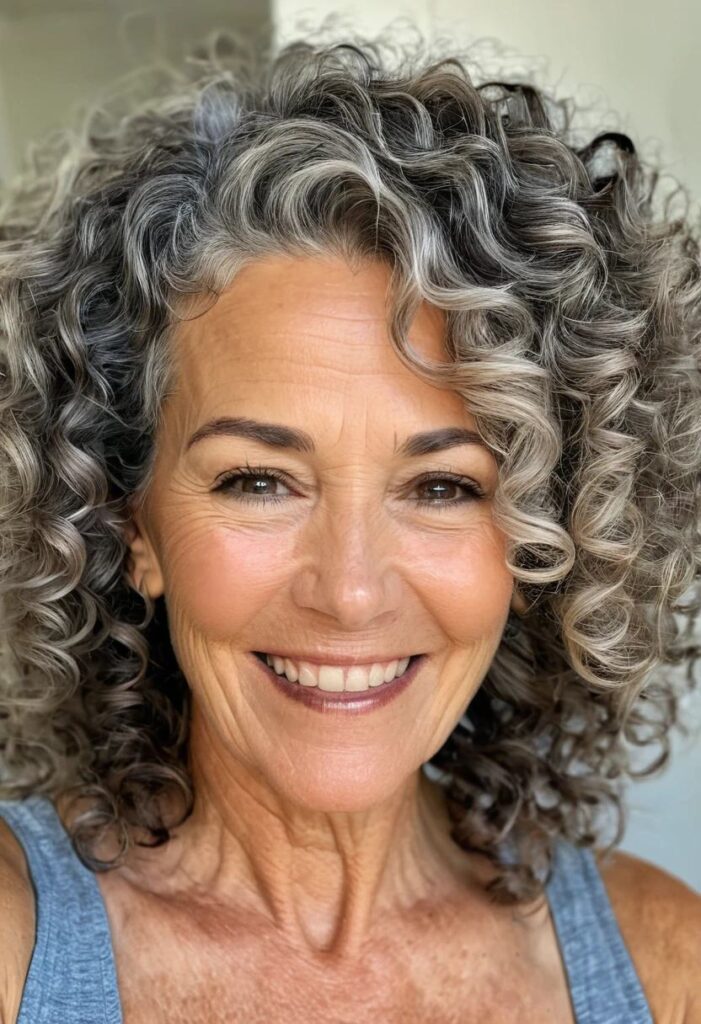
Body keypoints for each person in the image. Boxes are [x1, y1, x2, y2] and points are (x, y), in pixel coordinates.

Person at [0, 28, 699, 1024]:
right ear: (131, 522)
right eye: (257, 480)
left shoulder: (664, 967)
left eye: (443, 488)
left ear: (549, 533)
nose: (351, 588)